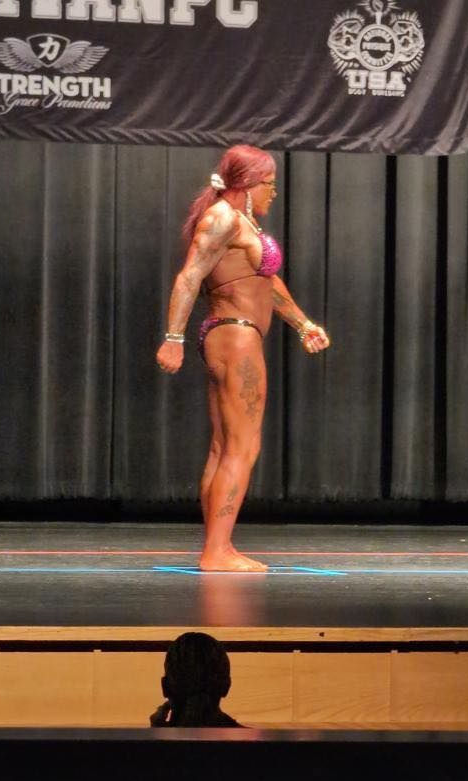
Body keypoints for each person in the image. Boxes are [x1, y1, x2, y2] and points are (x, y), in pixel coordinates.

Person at [156, 144, 330, 572]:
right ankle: (215, 552)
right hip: (234, 338)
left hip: (234, 337)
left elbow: (265, 283)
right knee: (242, 447)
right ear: (249, 185)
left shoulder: (242, 222)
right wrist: (172, 338)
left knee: (224, 447)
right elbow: (190, 275)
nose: (274, 194)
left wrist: (304, 324)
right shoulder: (222, 218)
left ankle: (220, 545)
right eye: (270, 186)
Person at [150, 631, 241, 727]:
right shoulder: (253, 738)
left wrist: (155, 736)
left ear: (165, 687)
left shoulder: (144, 740)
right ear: (226, 686)